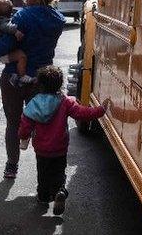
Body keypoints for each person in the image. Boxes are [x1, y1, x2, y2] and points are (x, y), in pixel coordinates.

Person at [0, 0, 66, 179]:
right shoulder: (58, 20)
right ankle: (44, 167)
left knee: (13, 122)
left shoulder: (23, 16)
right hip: (42, 79)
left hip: (13, 77)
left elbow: (7, 41)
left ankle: (12, 165)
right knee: (42, 123)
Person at [18, 65, 107, 215]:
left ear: (40, 85)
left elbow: (26, 124)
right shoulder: (64, 101)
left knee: (43, 173)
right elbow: (82, 113)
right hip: (59, 148)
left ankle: (43, 196)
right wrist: (100, 111)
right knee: (59, 172)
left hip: (41, 149)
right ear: (60, 84)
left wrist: (23, 136)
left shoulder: (34, 103)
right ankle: (60, 191)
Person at [0, 0, 33, 86]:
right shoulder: (3, 21)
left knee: (15, 58)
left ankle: (14, 75)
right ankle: (22, 76)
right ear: (10, 12)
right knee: (22, 56)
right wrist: (16, 31)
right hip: (2, 53)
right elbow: (7, 27)